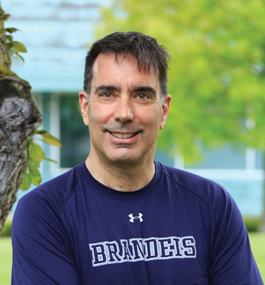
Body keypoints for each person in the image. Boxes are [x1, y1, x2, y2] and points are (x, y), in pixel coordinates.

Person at [12, 31, 263, 284]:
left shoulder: (212, 205)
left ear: (163, 110)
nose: (124, 113)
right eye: (108, 94)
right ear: (85, 107)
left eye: (142, 95)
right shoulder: (44, 212)